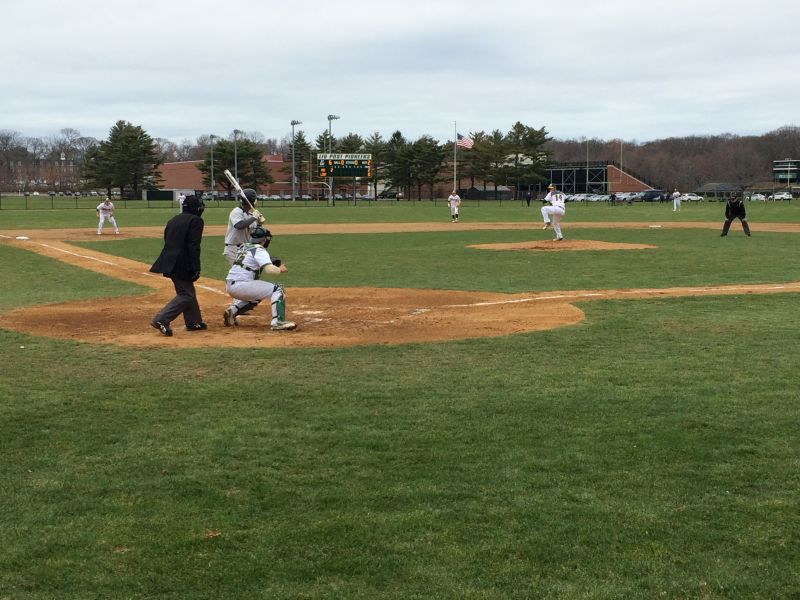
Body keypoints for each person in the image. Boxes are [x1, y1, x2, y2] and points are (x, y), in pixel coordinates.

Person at [149, 195, 207, 336]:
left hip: (169, 260)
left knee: (187, 291)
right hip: (182, 262)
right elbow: (193, 246)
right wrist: (196, 266)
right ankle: (161, 319)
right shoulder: (196, 220)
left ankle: (194, 322)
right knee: (185, 294)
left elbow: (167, 239)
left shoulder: (173, 219)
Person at [222, 227, 296, 331]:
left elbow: (249, 263)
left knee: (257, 296)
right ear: (264, 240)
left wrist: (267, 262)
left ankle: (232, 311)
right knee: (278, 289)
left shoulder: (244, 247)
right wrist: (280, 269)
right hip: (242, 285)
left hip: (231, 286)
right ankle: (278, 322)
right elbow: (270, 271)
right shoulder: (259, 249)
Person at [223, 188, 265, 265]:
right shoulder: (236, 211)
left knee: (245, 273)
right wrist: (254, 218)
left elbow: (253, 233)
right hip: (233, 248)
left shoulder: (250, 215)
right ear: (254, 201)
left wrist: (259, 223)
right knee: (240, 272)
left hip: (245, 249)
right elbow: (239, 225)